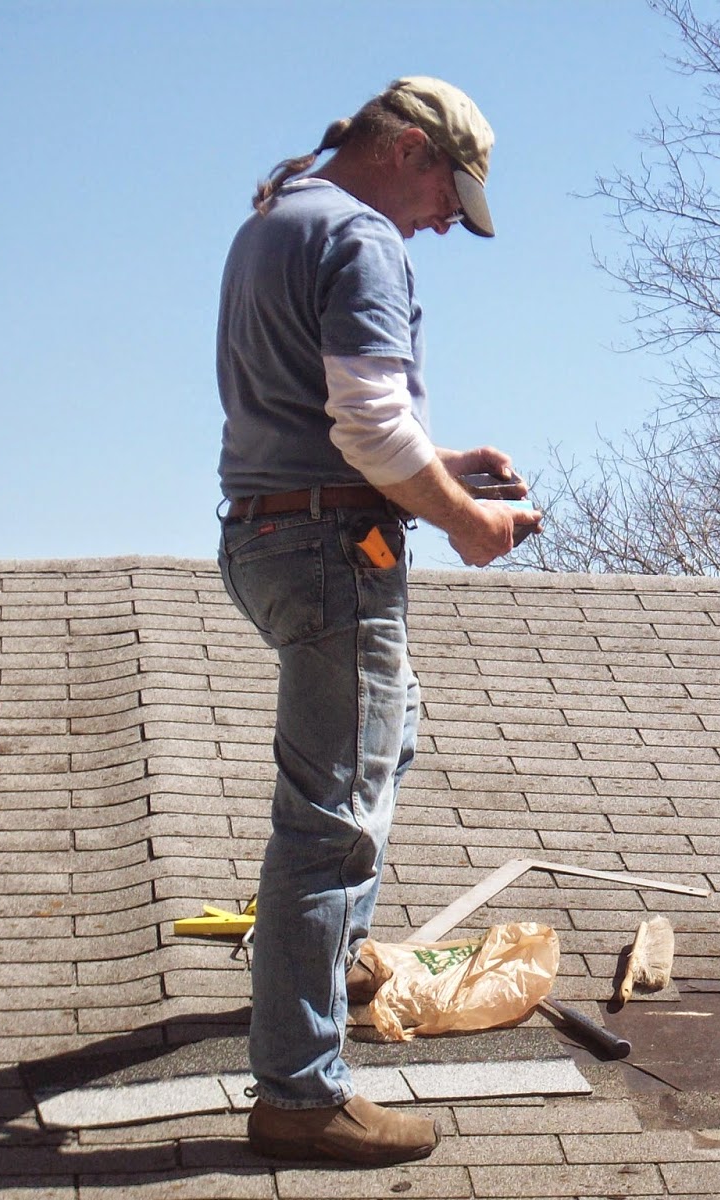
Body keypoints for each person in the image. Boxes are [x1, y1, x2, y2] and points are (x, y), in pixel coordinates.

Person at [214, 76, 540, 1166]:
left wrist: (440, 469)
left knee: (382, 736)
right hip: (331, 553)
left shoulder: (279, 216)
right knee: (333, 823)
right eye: (450, 191)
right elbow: (366, 425)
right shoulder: (360, 238)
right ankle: (300, 1095)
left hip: (269, 536)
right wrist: (465, 523)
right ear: (407, 148)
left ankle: (333, 959)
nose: (449, 219)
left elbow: (330, 419)